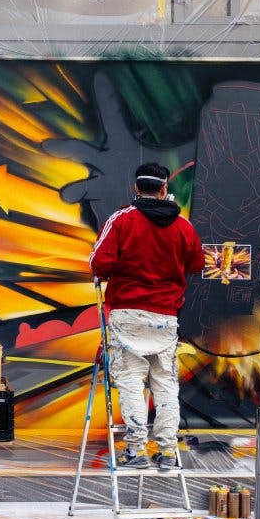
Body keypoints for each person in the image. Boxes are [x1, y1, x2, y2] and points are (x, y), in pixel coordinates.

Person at [89, 162, 204, 470]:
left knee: (129, 381)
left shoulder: (122, 220)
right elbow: (197, 263)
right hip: (165, 318)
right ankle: (167, 452)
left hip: (128, 315)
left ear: (137, 188)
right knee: (165, 384)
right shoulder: (183, 226)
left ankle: (136, 450)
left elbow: (98, 263)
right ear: (164, 190)